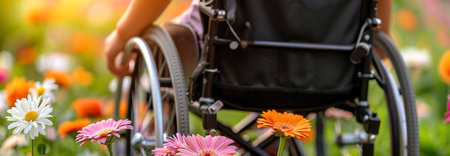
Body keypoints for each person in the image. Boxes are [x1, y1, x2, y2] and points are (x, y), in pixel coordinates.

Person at [104, 0, 392, 77]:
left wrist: (122, 33)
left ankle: (162, 134)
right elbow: (379, 35)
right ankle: (271, 144)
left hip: (230, 57)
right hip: (324, 65)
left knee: (174, 37)